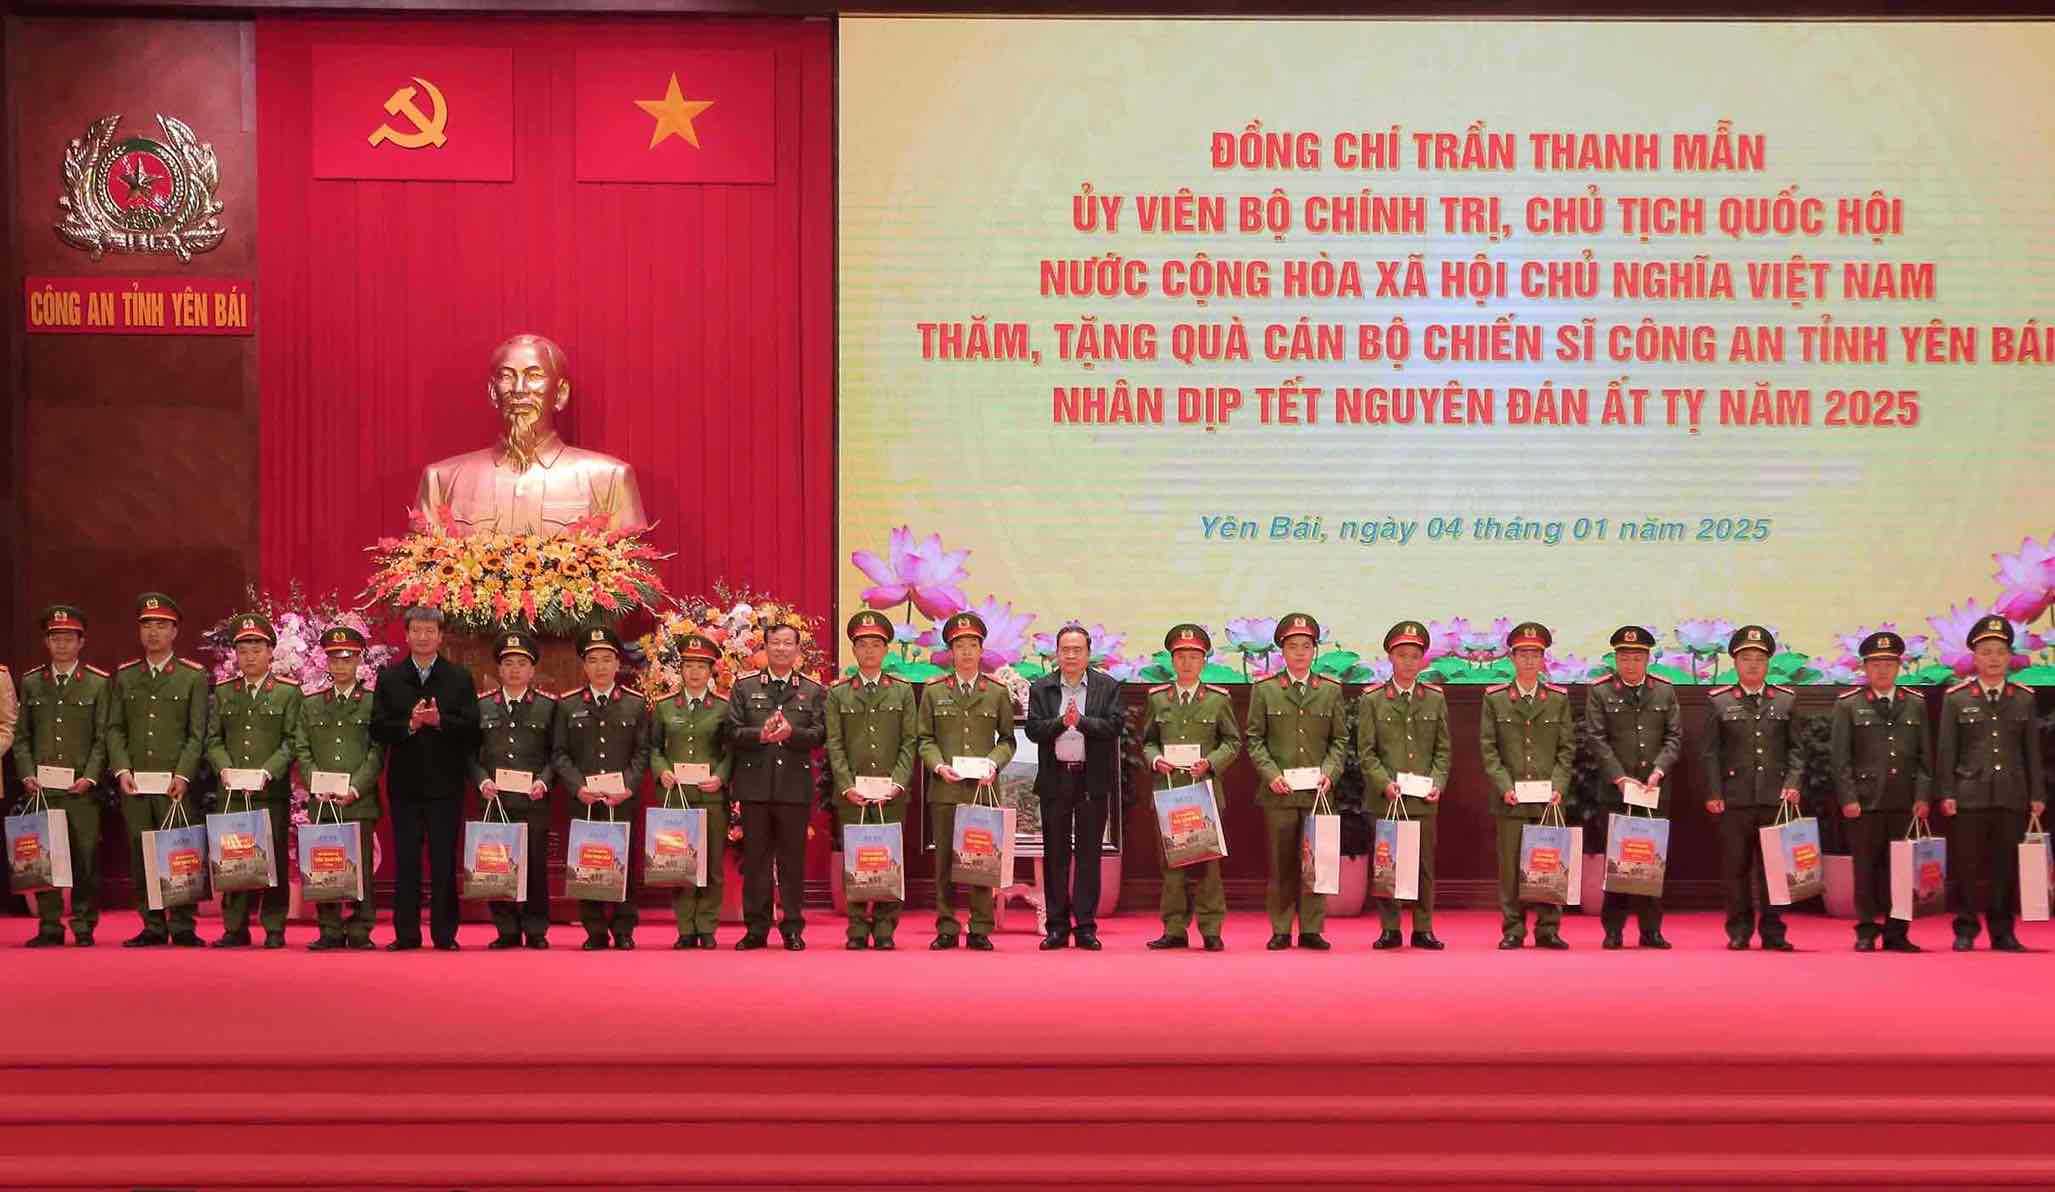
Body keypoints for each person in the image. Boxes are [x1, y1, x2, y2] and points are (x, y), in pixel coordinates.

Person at [414, 333, 648, 535]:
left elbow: (637, 579)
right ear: (493, 392)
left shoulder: (609, 480)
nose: (518, 389)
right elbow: (418, 579)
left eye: (534, 376)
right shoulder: (441, 480)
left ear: (560, 393)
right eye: (507, 376)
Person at [371, 606, 481, 952]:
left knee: (444, 863)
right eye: (416, 631)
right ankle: (406, 935)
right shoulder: (389, 678)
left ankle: (445, 935)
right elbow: (377, 728)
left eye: (429, 631)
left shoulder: (459, 678)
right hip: (404, 787)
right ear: (405, 636)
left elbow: (473, 729)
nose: (422, 637)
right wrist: (410, 725)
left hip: (446, 786)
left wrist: (439, 721)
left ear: (440, 636)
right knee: (406, 861)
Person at [1936, 615, 2046, 952]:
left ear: (2009, 657)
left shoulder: (2023, 697)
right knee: (1967, 866)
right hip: (1969, 795)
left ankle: (2003, 932)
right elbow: (1947, 751)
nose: (1994, 658)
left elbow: (2032, 752)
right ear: (1974, 657)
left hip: (2012, 794)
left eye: (2000, 651)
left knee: (2004, 866)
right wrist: (1947, 792)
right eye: (1986, 652)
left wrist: (2037, 794)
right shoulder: (1957, 698)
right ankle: (1965, 930)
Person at [107, 593, 210, 948]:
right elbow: (114, 729)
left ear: (175, 631)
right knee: (142, 851)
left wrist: (182, 775)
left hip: (174, 784)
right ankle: (151, 923)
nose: (153, 632)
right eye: (147, 625)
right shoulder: (125, 676)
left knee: (179, 852)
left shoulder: (192, 677)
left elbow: (198, 733)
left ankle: (182, 924)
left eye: (161, 625)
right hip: (136, 783)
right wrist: (121, 769)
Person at [1242, 612, 1346, 951]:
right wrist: (1271, 776)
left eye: (1305, 646)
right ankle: (1282, 928)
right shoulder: (1266, 690)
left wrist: (1330, 774)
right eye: (1292, 646)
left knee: (1316, 862)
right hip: (1280, 794)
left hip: (1318, 794)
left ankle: (1313, 928)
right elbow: (1254, 739)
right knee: (1282, 863)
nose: (1299, 653)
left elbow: (1339, 742)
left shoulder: (1329, 691)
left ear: (1314, 651)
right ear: (1282, 651)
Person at [1699, 624, 1804, 952]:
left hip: (1776, 799)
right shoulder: (1719, 702)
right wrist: (1714, 793)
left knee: (1775, 870)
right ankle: (1739, 930)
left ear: (1768, 662)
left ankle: (1774, 931)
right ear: (1735, 662)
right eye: (1746, 658)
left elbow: (1797, 750)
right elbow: (1709, 753)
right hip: (1734, 799)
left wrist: (1793, 783)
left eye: (1759, 658)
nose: (1753, 664)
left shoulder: (1786, 701)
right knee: (1736, 869)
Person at [916, 611, 1016, 951]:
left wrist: (994, 763)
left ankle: (980, 928)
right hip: (945, 787)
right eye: (960, 645)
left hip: (982, 789)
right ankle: (946, 925)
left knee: (980, 860)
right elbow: (924, 739)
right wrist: (938, 766)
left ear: (982, 650)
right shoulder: (933, 692)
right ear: (950, 651)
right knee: (944, 860)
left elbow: (1007, 740)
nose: (967, 652)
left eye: (973, 645)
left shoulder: (996, 693)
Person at [11, 605, 111, 947]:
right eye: (55, 638)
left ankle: (84, 925)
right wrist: (25, 775)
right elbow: (21, 736)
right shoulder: (32, 681)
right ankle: (49, 925)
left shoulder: (98, 683)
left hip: (80, 789)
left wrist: (91, 777)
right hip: (41, 788)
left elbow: (103, 738)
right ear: (46, 642)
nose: (62, 644)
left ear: (81, 642)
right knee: (43, 859)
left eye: (68, 638)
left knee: (85, 860)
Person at [725, 623, 827, 951]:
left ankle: (793, 928)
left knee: (792, 862)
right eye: (775, 643)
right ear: (764, 648)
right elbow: (731, 732)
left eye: (788, 644)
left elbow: (820, 735)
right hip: (754, 788)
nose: (781, 649)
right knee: (755, 861)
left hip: (793, 789)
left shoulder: (811, 690)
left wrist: (791, 735)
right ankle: (756, 928)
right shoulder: (745, 686)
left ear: (798, 650)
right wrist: (761, 736)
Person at [205, 614, 304, 949]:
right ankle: (235, 927)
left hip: (268, 791)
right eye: (243, 649)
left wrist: (267, 771)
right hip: (231, 790)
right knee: (233, 858)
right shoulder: (223, 692)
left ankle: (274, 926)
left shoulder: (287, 694)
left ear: (270, 652)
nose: (249, 655)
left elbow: (292, 740)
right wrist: (224, 769)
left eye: (257, 648)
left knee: (272, 857)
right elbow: (212, 739)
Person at [1829, 630, 1931, 953]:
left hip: (1904, 802)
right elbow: (1840, 758)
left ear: (1899, 666)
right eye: (1875, 664)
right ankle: (1866, 930)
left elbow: (1926, 759)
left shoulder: (1915, 704)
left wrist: (1923, 796)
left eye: (1889, 663)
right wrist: (1847, 798)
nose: (1882, 670)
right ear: (1865, 668)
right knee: (1865, 869)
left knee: (1901, 871)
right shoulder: (1849, 705)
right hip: (1864, 802)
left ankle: (1898, 932)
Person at [1140, 623, 1240, 952]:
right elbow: (1147, 742)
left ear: (1203, 661)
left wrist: (1211, 762)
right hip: (1169, 792)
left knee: (1208, 865)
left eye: (1193, 656)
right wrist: (1156, 761)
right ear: (1172, 660)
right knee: (1172, 866)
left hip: (1204, 792)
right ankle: (1174, 929)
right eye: (1180, 656)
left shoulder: (1216, 700)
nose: (1186, 662)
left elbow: (1232, 742)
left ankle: (1211, 929)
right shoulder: (1158, 699)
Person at [1024, 624, 1123, 951]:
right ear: (1057, 653)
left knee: (1088, 856)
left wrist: (1080, 722)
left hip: (1091, 780)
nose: (1070, 655)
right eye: (1065, 649)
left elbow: (1114, 726)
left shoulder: (1106, 687)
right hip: (1056, 780)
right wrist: (1060, 723)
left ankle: (1085, 927)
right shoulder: (1042, 687)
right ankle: (1056, 927)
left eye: (1077, 650)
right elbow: (1034, 730)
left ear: (1088, 653)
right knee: (1055, 856)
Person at [823, 611, 917, 950]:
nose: (869, 651)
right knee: (857, 859)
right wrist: (847, 786)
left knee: (889, 859)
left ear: (886, 650)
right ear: (854, 650)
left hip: (891, 793)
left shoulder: (902, 692)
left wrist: (898, 783)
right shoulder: (838, 694)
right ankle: (857, 929)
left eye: (875, 644)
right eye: (862, 644)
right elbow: (834, 744)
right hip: (853, 794)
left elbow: (910, 742)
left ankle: (886, 929)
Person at [554, 624, 650, 950]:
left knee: (626, 862)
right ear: (584, 665)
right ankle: (594, 929)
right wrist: (577, 787)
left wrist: (629, 786)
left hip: (621, 798)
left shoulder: (635, 705)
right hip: (585, 798)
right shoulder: (568, 705)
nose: (600, 667)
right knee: (588, 862)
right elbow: (559, 754)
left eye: (607, 659)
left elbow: (642, 752)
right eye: (593, 660)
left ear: (617, 663)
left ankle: (624, 928)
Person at [1586, 625, 1683, 950]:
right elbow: (1597, 739)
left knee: (1651, 861)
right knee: (1618, 861)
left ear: (1648, 659)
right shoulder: (1600, 691)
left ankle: (1650, 930)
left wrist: (1658, 770)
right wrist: (1619, 777)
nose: (1630, 663)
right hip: (1616, 792)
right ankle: (1613, 930)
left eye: (1637, 657)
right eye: (1624, 657)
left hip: (1654, 790)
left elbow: (1674, 737)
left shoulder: (1664, 692)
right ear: (1616, 658)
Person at [1356, 620, 1451, 951]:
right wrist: (1384, 783)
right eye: (1402, 655)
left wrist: (1438, 782)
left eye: (1414, 656)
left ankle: (1423, 927)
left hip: (1423, 798)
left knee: (1424, 866)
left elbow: (1443, 749)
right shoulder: (1372, 700)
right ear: (1390, 658)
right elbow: (1365, 752)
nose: (1408, 662)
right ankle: (1390, 927)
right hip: (1386, 799)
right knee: (1388, 864)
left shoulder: (1435, 699)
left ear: (1422, 660)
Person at [1481, 621, 1576, 950]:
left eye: (1536, 654)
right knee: (1511, 868)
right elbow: (1490, 750)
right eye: (1524, 654)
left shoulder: (1557, 699)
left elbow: (1567, 749)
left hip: (1549, 799)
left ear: (1544, 658)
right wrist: (1504, 786)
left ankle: (1549, 928)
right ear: (1512, 657)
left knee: (1549, 862)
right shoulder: (1495, 699)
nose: (1530, 660)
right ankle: (1513, 929)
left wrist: (1560, 786)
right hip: (1511, 799)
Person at [295, 626, 384, 951]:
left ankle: (361, 929)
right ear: (326, 662)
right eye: (335, 659)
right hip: (322, 800)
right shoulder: (312, 704)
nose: (341, 665)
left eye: (347, 658)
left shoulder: (372, 702)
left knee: (360, 869)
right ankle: (329, 929)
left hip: (356, 801)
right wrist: (314, 783)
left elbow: (377, 752)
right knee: (325, 865)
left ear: (359, 660)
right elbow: (301, 749)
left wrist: (356, 787)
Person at [473, 630, 557, 950]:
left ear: (532, 670)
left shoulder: (548, 707)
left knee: (535, 866)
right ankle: (506, 928)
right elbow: (470, 754)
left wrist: (545, 781)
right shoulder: (482, 706)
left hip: (533, 799)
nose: (515, 670)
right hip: (496, 801)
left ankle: (536, 929)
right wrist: (481, 780)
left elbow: (557, 753)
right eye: (508, 663)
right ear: (499, 669)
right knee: (498, 865)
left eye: (522, 664)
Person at [647, 633, 732, 950]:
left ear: (712, 671)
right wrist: (662, 771)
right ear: (680, 670)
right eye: (689, 666)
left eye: (702, 666)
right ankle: (685, 927)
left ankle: (707, 926)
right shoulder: (666, 706)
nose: (695, 672)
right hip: (676, 797)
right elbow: (654, 748)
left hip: (710, 797)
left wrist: (721, 778)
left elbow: (730, 752)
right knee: (679, 864)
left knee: (711, 867)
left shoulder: (723, 707)